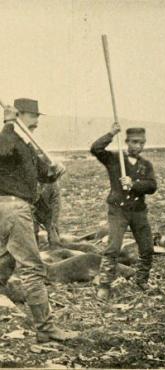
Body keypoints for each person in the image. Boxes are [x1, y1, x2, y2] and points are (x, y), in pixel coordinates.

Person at [0, 98, 78, 342]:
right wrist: (8, 124)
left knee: (6, 259)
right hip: (12, 208)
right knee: (33, 268)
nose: (36, 125)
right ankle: (45, 329)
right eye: (32, 119)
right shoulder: (9, 138)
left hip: (16, 208)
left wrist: (54, 172)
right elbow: (1, 151)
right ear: (21, 116)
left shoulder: (27, 145)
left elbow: (41, 176)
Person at [91, 122, 157, 300]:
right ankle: (104, 284)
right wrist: (111, 133)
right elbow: (95, 149)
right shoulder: (114, 159)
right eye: (134, 142)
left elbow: (152, 186)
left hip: (138, 211)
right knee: (113, 248)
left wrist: (133, 184)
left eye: (142, 143)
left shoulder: (146, 165)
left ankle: (142, 280)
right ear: (126, 141)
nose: (138, 146)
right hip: (118, 211)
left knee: (147, 248)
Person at [33, 181, 61, 248]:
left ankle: (56, 249)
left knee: (53, 234)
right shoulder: (31, 181)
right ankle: (35, 251)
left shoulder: (52, 184)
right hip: (34, 212)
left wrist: (53, 221)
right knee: (33, 233)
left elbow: (56, 203)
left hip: (48, 213)